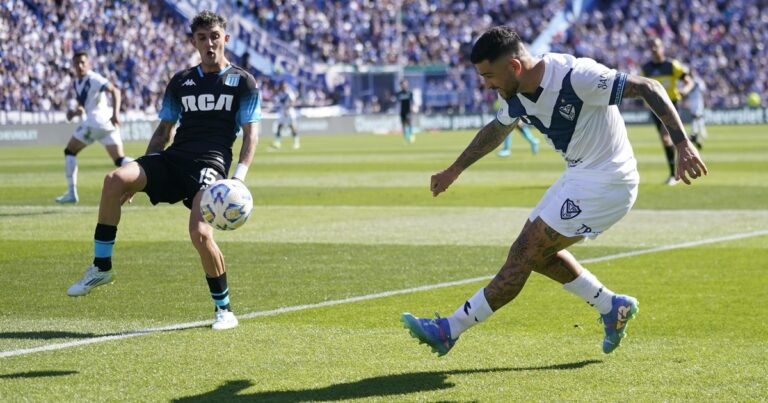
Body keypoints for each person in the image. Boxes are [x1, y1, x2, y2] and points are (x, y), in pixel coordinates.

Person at [401, 26, 707, 356]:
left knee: (523, 254)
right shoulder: (514, 94)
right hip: (579, 175)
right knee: (533, 252)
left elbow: (649, 87)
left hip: (609, 181)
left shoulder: (576, 77)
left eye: (489, 76)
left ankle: (449, 329)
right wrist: (455, 169)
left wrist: (682, 143)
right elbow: (497, 129)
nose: (486, 85)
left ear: (514, 67)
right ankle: (611, 306)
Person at [66, 11, 262, 331]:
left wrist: (238, 176)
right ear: (193, 42)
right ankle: (101, 267)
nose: (209, 43)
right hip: (173, 159)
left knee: (200, 234)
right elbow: (163, 131)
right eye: (202, 37)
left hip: (210, 166)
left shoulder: (242, 82)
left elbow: (251, 134)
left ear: (226, 39)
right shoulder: (181, 81)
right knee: (115, 179)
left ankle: (224, 310)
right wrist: (143, 170)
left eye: (214, 36)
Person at [55, 51, 133, 204]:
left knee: (69, 151)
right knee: (119, 160)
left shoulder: (93, 78)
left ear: (88, 64)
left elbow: (115, 91)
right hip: (107, 125)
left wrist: (116, 113)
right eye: (77, 63)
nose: (80, 66)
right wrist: (74, 113)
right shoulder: (77, 82)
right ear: (73, 65)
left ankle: (72, 193)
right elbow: (85, 107)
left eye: (83, 62)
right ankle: (144, 170)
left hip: (96, 122)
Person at [641, 38, 698, 185]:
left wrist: (685, 89)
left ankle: (673, 175)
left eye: (657, 46)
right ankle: (690, 141)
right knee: (666, 140)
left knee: (666, 137)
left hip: (670, 105)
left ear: (662, 48)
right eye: (652, 46)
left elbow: (689, 81)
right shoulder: (646, 69)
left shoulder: (671, 65)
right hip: (654, 107)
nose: (654, 49)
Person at [270, 81, 300, 150]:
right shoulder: (279, 93)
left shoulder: (289, 93)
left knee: (292, 126)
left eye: (284, 86)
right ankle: (277, 142)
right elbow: (275, 100)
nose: (283, 87)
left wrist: (288, 109)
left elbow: (293, 102)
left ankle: (296, 142)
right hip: (282, 111)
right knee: (279, 126)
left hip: (289, 112)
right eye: (282, 86)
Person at [686, 73, 708, 148]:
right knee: (697, 118)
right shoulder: (690, 81)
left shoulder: (698, 81)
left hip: (698, 102)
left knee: (697, 117)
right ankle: (700, 134)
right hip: (692, 102)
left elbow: (703, 90)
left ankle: (695, 134)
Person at [396, 79, 415, 144]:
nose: (404, 85)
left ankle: (411, 136)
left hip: (408, 111)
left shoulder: (409, 93)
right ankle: (405, 138)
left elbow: (412, 102)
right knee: (403, 125)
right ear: (401, 85)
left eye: (405, 84)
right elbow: (398, 102)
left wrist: (412, 108)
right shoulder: (399, 93)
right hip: (402, 111)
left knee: (409, 123)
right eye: (403, 84)